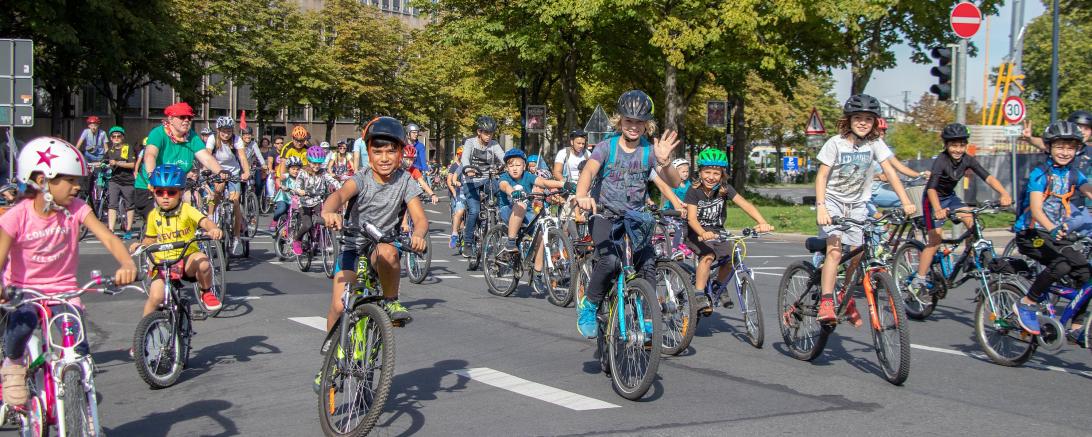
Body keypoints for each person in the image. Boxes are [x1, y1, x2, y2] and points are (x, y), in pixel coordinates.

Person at [0, 137, 137, 406]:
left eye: (78, 181)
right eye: (69, 180)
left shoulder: (77, 209)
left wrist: (127, 264)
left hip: (63, 289)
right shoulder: (18, 215)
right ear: (42, 180)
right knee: (22, 324)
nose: (77, 187)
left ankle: (79, 397)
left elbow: (108, 238)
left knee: (77, 344)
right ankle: (13, 364)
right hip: (24, 288)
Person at [572, 90, 686, 338]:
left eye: (639, 121)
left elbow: (675, 182)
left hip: (636, 218)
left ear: (647, 124)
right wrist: (582, 195)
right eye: (629, 120)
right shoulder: (607, 147)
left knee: (647, 264)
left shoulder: (650, 151)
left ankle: (646, 315)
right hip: (604, 214)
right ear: (620, 121)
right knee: (611, 261)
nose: (633, 126)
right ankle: (589, 305)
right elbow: (589, 171)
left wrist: (665, 162)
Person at [814, 94, 916, 324]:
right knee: (835, 251)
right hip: (832, 201)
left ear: (874, 122)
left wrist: (905, 200)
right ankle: (826, 302)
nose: (863, 123)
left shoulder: (874, 143)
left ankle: (846, 294)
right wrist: (821, 207)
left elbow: (890, 172)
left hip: (858, 204)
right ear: (849, 120)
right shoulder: (835, 143)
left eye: (868, 119)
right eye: (858, 118)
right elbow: (821, 176)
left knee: (859, 253)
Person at [320, 116, 428, 330]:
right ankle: (331, 348)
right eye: (377, 152)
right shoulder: (362, 178)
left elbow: (420, 218)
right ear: (368, 153)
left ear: (401, 153)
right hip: (353, 247)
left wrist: (418, 234)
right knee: (339, 306)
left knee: (388, 251)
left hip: (382, 246)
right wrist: (328, 211)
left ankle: (391, 301)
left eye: (391, 151)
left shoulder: (406, 181)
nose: (384, 158)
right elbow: (340, 195)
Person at [909, 123, 1012, 295]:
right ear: (946, 145)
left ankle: (970, 258)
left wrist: (1004, 193)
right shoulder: (941, 161)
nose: (958, 149)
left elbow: (987, 177)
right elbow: (932, 188)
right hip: (932, 199)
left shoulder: (967, 159)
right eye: (954, 145)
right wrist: (938, 209)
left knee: (972, 222)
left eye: (962, 145)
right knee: (935, 241)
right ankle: (919, 278)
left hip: (950, 197)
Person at [1011, 121, 1092, 340]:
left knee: (1086, 273)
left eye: (1070, 148)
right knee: (1062, 263)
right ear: (1048, 147)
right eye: (1060, 147)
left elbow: (1089, 191)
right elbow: (1036, 210)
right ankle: (1026, 303)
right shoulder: (1040, 174)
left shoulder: (1073, 173)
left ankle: (1076, 326)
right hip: (1032, 234)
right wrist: (1053, 229)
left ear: (1077, 149)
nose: (1065, 152)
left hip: (1054, 234)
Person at [685, 148, 773, 314]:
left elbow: (745, 205)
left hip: (717, 231)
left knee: (731, 258)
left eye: (716, 173)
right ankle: (699, 294)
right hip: (695, 232)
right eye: (707, 172)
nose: (711, 177)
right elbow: (691, 219)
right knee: (708, 256)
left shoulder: (725, 189)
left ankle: (718, 284)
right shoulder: (694, 190)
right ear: (700, 172)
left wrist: (762, 222)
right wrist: (702, 233)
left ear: (722, 175)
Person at [138, 164, 224, 320]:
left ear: (180, 193)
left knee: (203, 262)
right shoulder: (153, 215)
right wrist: (141, 245)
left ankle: (206, 292)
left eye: (171, 192)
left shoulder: (187, 209)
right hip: (163, 262)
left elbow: (204, 221)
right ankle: (143, 332)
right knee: (155, 298)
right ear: (154, 192)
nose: (165, 197)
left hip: (186, 258)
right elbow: (150, 238)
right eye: (160, 192)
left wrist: (213, 229)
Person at [134, 103, 225, 220]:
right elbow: (150, 155)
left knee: (193, 205)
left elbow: (206, 158)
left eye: (189, 117)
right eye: (182, 117)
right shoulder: (158, 133)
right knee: (159, 223)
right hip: (152, 188)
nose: (186, 120)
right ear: (170, 119)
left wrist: (221, 172)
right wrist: (152, 175)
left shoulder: (191, 137)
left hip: (176, 187)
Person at [497, 149, 571, 291]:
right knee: (521, 204)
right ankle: (511, 242)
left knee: (542, 234)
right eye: (511, 165)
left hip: (527, 213)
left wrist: (563, 184)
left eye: (518, 165)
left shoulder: (528, 176)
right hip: (508, 211)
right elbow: (504, 186)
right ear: (506, 167)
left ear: (524, 166)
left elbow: (544, 182)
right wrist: (513, 192)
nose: (514, 168)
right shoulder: (504, 177)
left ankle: (537, 273)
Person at [457, 116, 505, 261]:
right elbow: (465, 158)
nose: (488, 136)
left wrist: (508, 164)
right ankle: (468, 243)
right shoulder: (470, 143)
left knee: (503, 195)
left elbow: (503, 157)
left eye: (491, 133)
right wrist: (467, 169)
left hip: (488, 180)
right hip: (471, 181)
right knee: (474, 211)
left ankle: (502, 227)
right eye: (486, 133)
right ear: (479, 132)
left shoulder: (494, 144)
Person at [205, 116, 252, 255]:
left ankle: (236, 238)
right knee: (216, 191)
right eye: (224, 131)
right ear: (218, 130)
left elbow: (242, 157)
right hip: (217, 170)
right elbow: (207, 156)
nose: (226, 134)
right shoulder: (212, 139)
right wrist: (208, 171)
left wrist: (246, 172)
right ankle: (211, 216)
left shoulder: (237, 140)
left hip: (233, 172)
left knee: (235, 201)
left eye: (229, 131)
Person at [291, 146, 338, 256]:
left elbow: (332, 180)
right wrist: (300, 191)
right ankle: (297, 240)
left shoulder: (323, 173)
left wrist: (341, 188)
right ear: (309, 161)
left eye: (319, 164)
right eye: (314, 163)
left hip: (317, 201)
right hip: (305, 203)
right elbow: (298, 185)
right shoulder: (303, 172)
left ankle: (319, 240)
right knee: (307, 224)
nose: (317, 166)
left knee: (324, 219)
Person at [104, 126, 139, 238]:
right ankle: (111, 230)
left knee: (130, 205)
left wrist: (117, 163)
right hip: (114, 180)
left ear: (122, 137)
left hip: (127, 181)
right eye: (114, 136)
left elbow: (132, 165)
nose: (116, 138)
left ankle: (128, 230)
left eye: (118, 136)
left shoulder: (128, 148)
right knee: (112, 205)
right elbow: (103, 162)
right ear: (111, 138)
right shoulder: (110, 151)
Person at [663, 158, 693, 257]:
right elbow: (672, 195)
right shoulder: (674, 184)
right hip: (670, 212)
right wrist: (681, 203)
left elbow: (691, 194)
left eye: (687, 171)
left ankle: (684, 245)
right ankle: (674, 248)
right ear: (675, 173)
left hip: (682, 211)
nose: (686, 174)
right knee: (678, 228)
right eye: (683, 172)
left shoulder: (688, 183)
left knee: (689, 227)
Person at [269, 156, 303, 231]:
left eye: (297, 169)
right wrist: (281, 186)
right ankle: (274, 220)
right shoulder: (287, 176)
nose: (295, 171)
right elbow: (278, 179)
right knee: (282, 209)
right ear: (288, 169)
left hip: (295, 200)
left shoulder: (301, 178)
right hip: (284, 198)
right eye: (293, 169)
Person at [447, 149, 467, 250]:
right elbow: (451, 179)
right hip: (460, 192)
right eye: (460, 154)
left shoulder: (476, 164)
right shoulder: (457, 166)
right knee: (459, 213)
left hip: (472, 193)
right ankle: (455, 234)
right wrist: (454, 187)